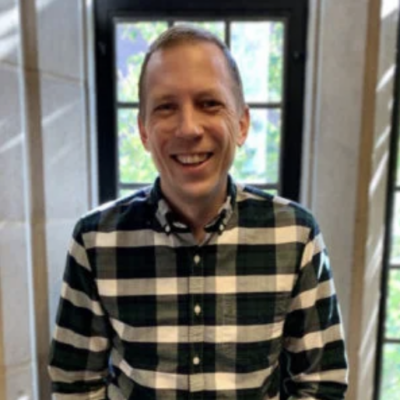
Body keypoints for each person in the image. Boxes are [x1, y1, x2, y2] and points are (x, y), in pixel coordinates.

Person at [48, 25, 348, 399]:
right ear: (143, 131)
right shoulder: (95, 242)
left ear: (241, 123)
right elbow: (75, 383)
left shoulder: (296, 235)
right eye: (166, 107)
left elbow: (321, 384)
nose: (188, 128)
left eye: (209, 103)